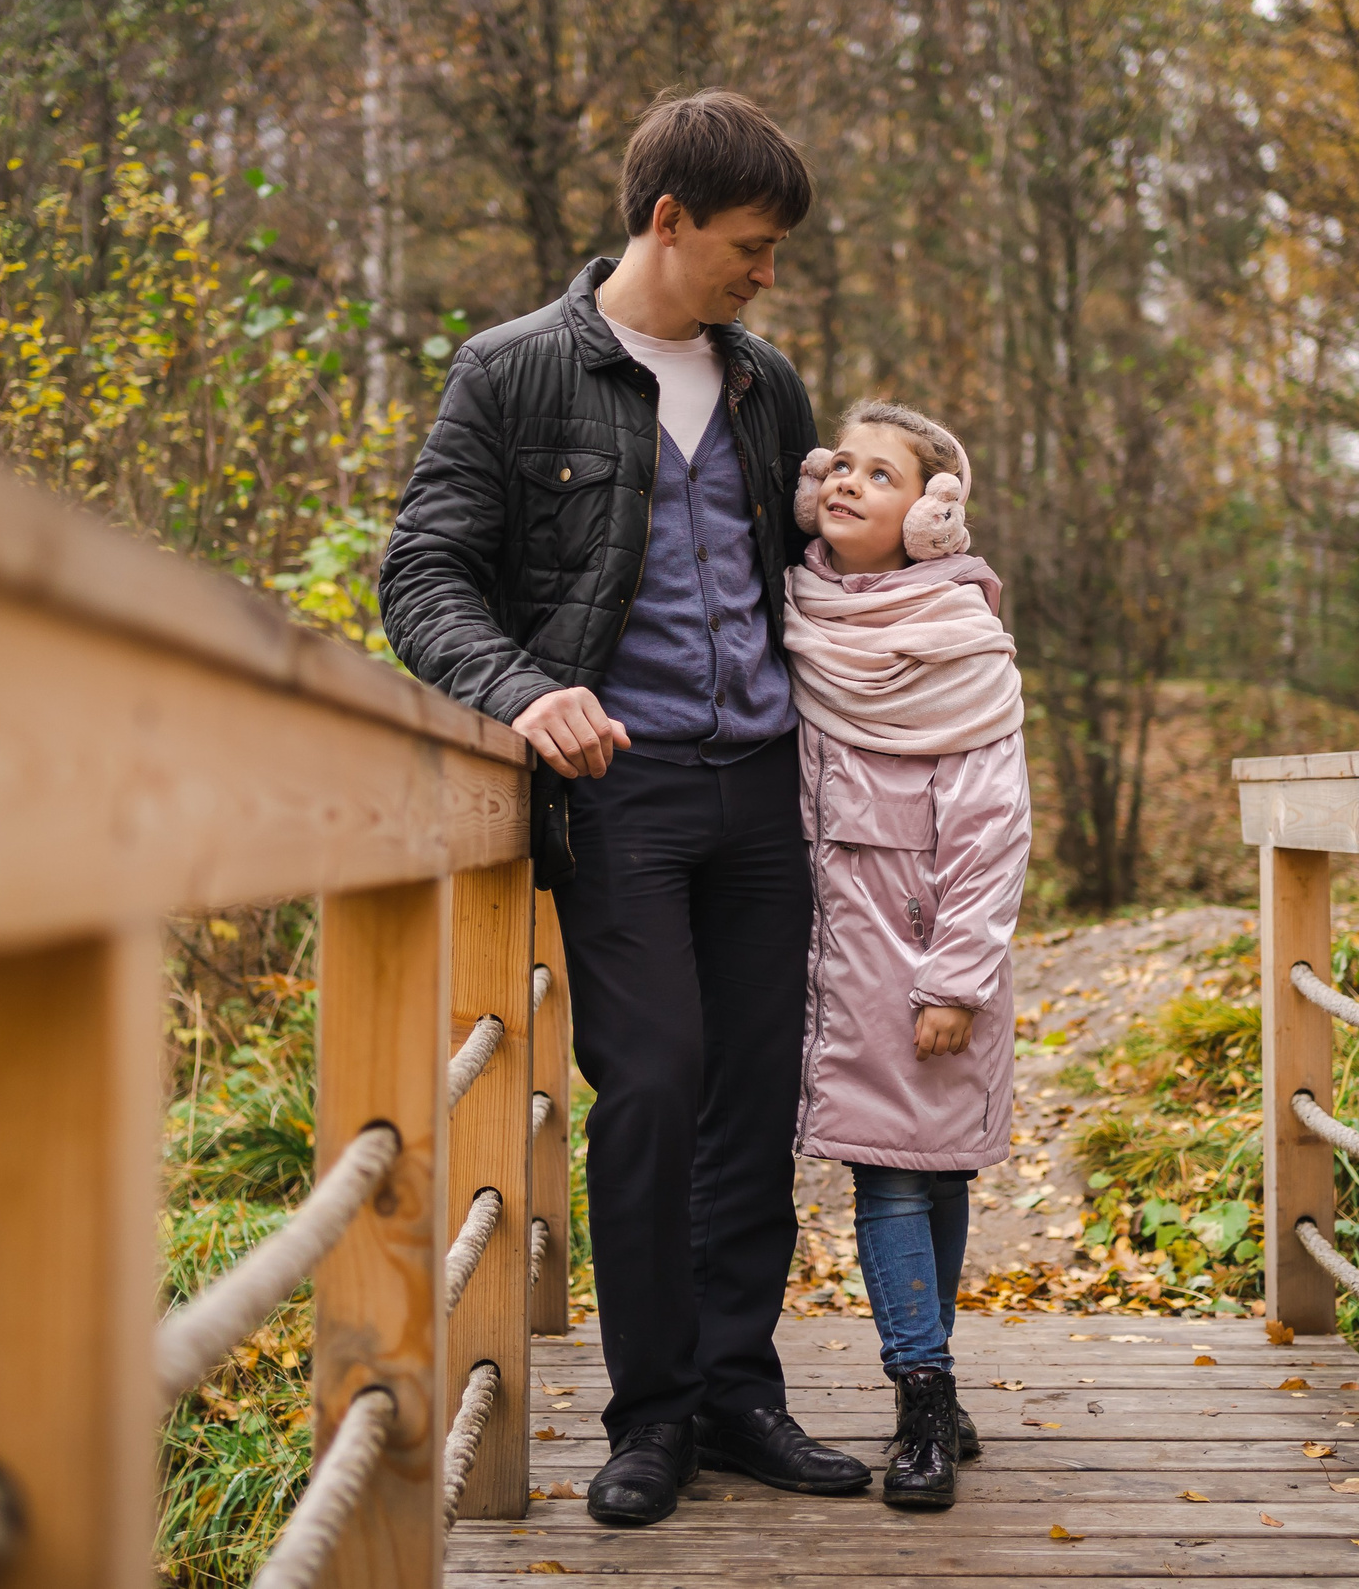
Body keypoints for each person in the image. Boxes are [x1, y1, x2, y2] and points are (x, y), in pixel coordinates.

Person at [378, 90, 871, 1526]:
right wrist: (525, 691)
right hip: (625, 794)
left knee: (749, 1098)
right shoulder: (516, 370)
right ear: (668, 222)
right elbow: (422, 575)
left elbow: (818, 568)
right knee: (651, 1084)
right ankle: (650, 1413)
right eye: (750, 244)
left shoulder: (767, 381)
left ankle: (739, 1391)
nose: (766, 270)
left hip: (766, 793)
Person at [783, 400, 1032, 1510]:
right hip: (835, 942)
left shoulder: (961, 647)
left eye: (877, 477)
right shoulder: (800, 613)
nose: (844, 482)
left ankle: (921, 1399)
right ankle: (931, 1387)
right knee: (900, 1168)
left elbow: (991, 828)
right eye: (839, 464)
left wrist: (955, 981)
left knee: (921, 1169)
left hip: (930, 945)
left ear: (931, 518)